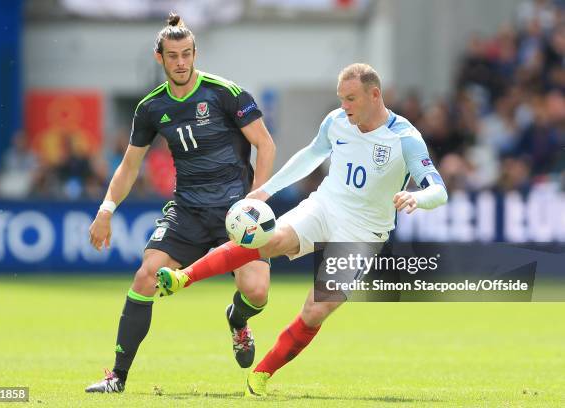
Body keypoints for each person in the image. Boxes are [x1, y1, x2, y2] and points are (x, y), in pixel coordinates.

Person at [157, 63, 448, 396]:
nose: (344, 107)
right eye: (341, 98)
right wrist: (267, 190)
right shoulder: (337, 122)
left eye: (351, 99)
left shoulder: (405, 138)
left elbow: (438, 190)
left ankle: (262, 374)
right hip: (324, 208)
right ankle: (183, 277)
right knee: (269, 239)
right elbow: (311, 155)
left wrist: (416, 198)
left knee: (316, 310)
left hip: (363, 235)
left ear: (375, 94)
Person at [85, 13, 276, 393]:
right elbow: (129, 165)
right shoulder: (151, 108)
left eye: (187, 54)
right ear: (160, 58)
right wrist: (105, 210)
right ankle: (117, 378)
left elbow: (265, 144)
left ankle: (237, 321)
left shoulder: (225, 93)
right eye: (173, 56)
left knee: (257, 293)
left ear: (195, 53)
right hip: (187, 210)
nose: (181, 62)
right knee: (145, 276)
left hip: (234, 213)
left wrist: (255, 199)